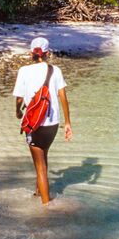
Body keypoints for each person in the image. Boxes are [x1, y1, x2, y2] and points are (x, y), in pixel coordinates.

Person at [12, 36, 72, 205]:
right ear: (47, 53)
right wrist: (68, 123)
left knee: (40, 168)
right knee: (43, 157)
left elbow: (18, 99)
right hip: (52, 124)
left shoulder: (24, 71)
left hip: (34, 124)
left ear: (32, 53)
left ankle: (46, 208)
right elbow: (63, 98)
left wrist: (18, 112)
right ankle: (38, 193)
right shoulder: (55, 70)